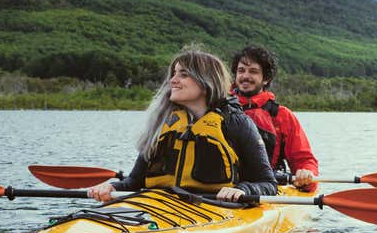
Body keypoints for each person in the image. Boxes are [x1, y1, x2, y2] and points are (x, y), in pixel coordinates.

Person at [88, 47, 277, 202]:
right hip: (160, 207)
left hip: (215, 209)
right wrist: (112, 186)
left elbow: (268, 184)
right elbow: (135, 181)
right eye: (174, 74)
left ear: (206, 83)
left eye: (183, 74)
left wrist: (243, 189)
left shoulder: (237, 123)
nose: (173, 80)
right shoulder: (163, 124)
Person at [230, 45, 319, 191]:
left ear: (266, 79)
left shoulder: (282, 115)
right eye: (241, 71)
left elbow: (304, 159)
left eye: (253, 71)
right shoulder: (218, 108)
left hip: (264, 187)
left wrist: (306, 173)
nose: (245, 76)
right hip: (223, 188)